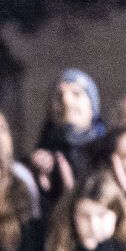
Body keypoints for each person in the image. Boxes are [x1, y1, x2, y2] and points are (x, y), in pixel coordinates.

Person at [31, 69, 107, 205]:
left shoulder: (107, 152)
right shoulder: (42, 156)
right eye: (59, 95)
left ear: (92, 108)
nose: (66, 101)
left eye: (76, 94)